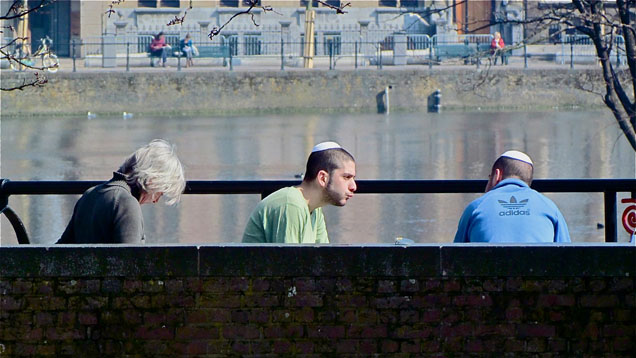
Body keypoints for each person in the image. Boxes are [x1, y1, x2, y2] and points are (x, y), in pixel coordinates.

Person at [57, 139, 185, 244]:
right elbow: (129, 264)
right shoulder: (126, 204)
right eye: (160, 193)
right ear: (153, 180)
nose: (156, 201)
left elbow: (60, 250)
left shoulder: (89, 194)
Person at [242, 141, 357, 244]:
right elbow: (289, 264)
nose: (354, 186)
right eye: (346, 177)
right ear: (323, 178)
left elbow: (322, 261)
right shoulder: (290, 204)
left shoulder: (315, 209)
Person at [454, 150, 570, 243]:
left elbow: (454, 257)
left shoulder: (476, 208)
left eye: (489, 177)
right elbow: (567, 255)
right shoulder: (549, 207)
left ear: (497, 175)